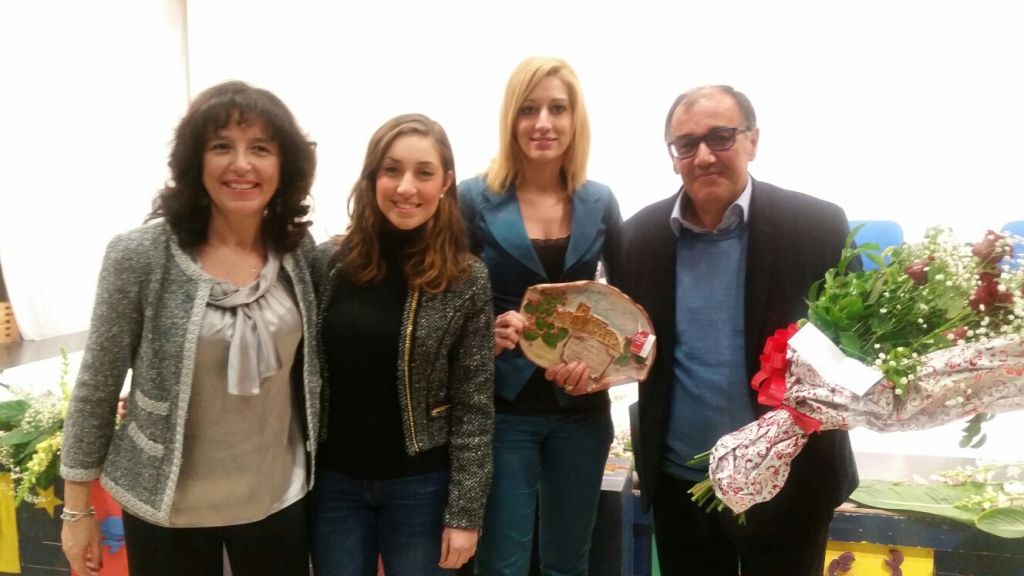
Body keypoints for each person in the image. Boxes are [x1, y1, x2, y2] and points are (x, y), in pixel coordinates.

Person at [59, 80, 321, 576]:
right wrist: (76, 510)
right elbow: (97, 386)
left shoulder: (296, 254)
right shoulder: (140, 256)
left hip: (277, 498)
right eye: (221, 146)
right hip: (169, 507)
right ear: (194, 162)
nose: (241, 164)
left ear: (283, 165)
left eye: (260, 148)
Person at [614, 85, 859, 575]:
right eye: (686, 144)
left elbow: (855, 348)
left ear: (753, 140)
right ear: (673, 158)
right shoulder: (638, 238)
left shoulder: (817, 226)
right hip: (684, 484)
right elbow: (627, 344)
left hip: (790, 479)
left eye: (720, 137)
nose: (703, 156)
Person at [458, 56, 622, 575]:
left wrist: (607, 369)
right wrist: (485, 333)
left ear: (576, 119)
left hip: (581, 410)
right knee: (501, 563)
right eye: (529, 109)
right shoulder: (472, 198)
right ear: (511, 117)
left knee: (568, 562)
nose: (543, 123)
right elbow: (446, 302)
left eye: (557, 109)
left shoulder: (600, 201)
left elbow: (628, 309)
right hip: (502, 408)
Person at [311, 113, 494, 575]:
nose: (406, 187)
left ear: (446, 182)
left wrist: (465, 515)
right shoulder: (328, 264)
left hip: (421, 487)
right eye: (392, 170)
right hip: (334, 485)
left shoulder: (466, 278)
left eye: (423, 172)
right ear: (373, 176)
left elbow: (474, 406)